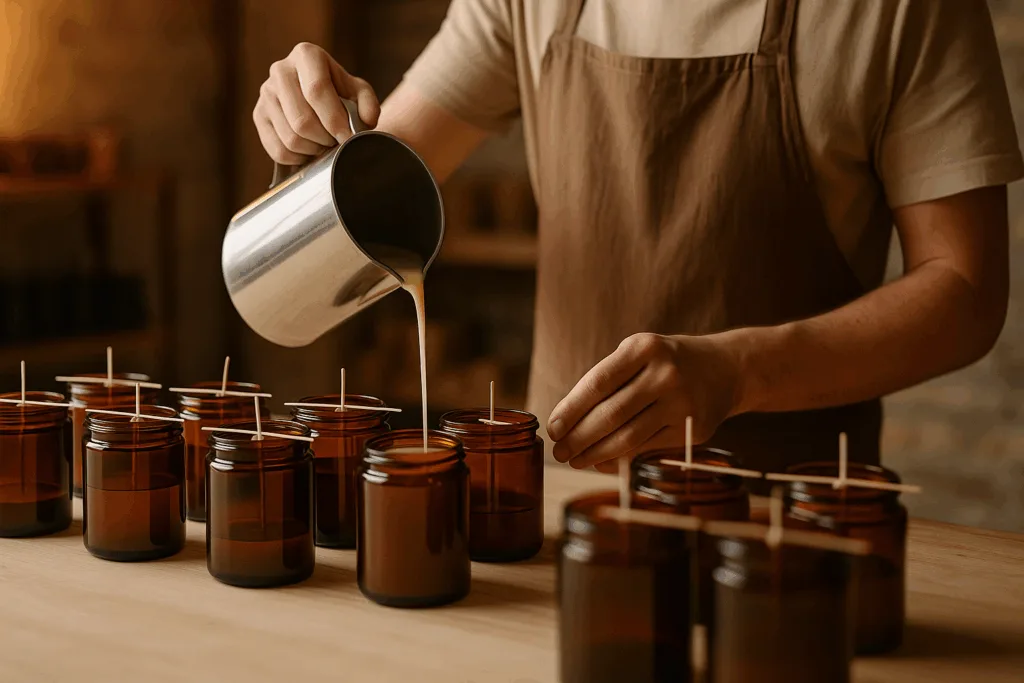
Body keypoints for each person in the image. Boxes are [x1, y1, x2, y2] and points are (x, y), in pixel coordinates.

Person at [253, 0, 1022, 479]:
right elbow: (382, 176)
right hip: (559, 508)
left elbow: (966, 287)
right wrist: (312, 125)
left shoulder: (906, 10)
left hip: (787, 523)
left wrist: (738, 372)